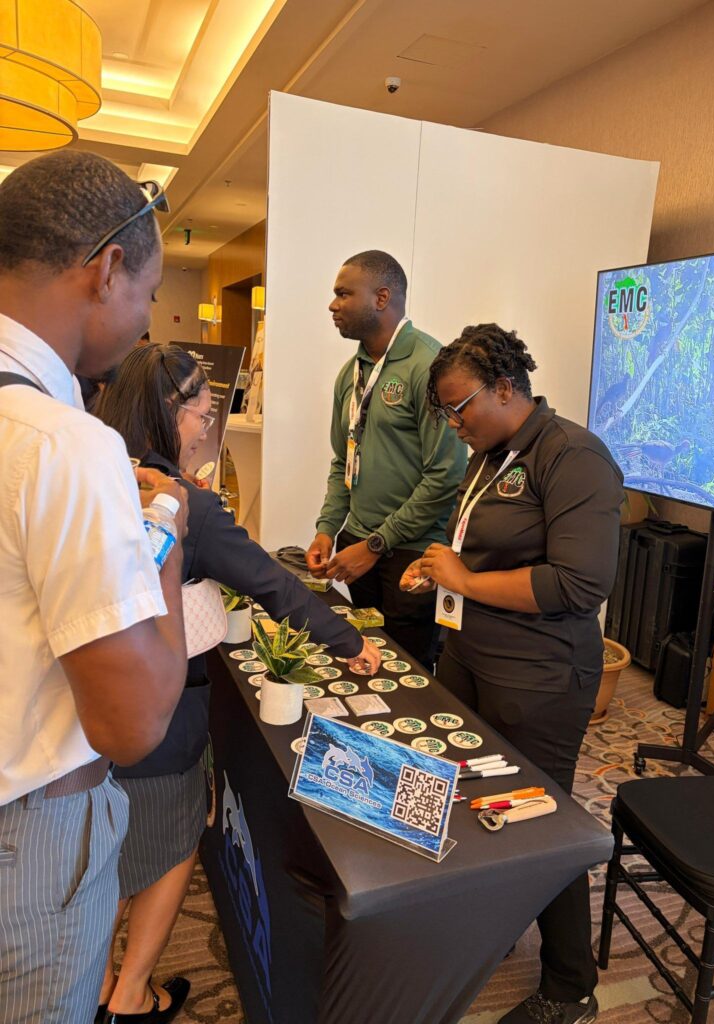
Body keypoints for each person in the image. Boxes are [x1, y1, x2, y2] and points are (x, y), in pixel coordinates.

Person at [94, 343, 381, 1023]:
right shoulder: (184, 504)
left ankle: (97, 984)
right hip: (163, 712)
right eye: (202, 415)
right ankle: (131, 997)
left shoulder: (94, 477)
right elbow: (274, 584)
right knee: (169, 846)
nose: (205, 430)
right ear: (173, 413)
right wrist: (350, 642)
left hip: (91, 706)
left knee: (105, 852)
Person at [0, 152, 189, 1024]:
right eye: (148, 294)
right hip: (29, 838)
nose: (145, 320)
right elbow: (134, 723)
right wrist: (169, 537)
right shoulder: (65, 444)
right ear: (108, 268)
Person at [401, 323, 624, 1024]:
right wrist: (439, 570)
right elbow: (482, 550)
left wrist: (464, 581)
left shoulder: (574, 456)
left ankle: (570, 986)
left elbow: (577, 585)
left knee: (539, 817)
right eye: (445, 411)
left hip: (541, 674)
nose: (452, 423)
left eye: (458, 406)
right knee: (476, 798)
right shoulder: (490, 456)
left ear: (505, 388)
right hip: (471, 655)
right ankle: (496, 924)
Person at [306, 250, 466, 668]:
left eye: (344, 294)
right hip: (358, 548)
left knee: (408, 671)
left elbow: (446, 476)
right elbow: (343, 461)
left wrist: (377, 544)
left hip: (409, 554)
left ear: (381, 298)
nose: (333, 305)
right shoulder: (351, 372)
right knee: (363, 660)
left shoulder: (430, 367)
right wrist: (327, 530)